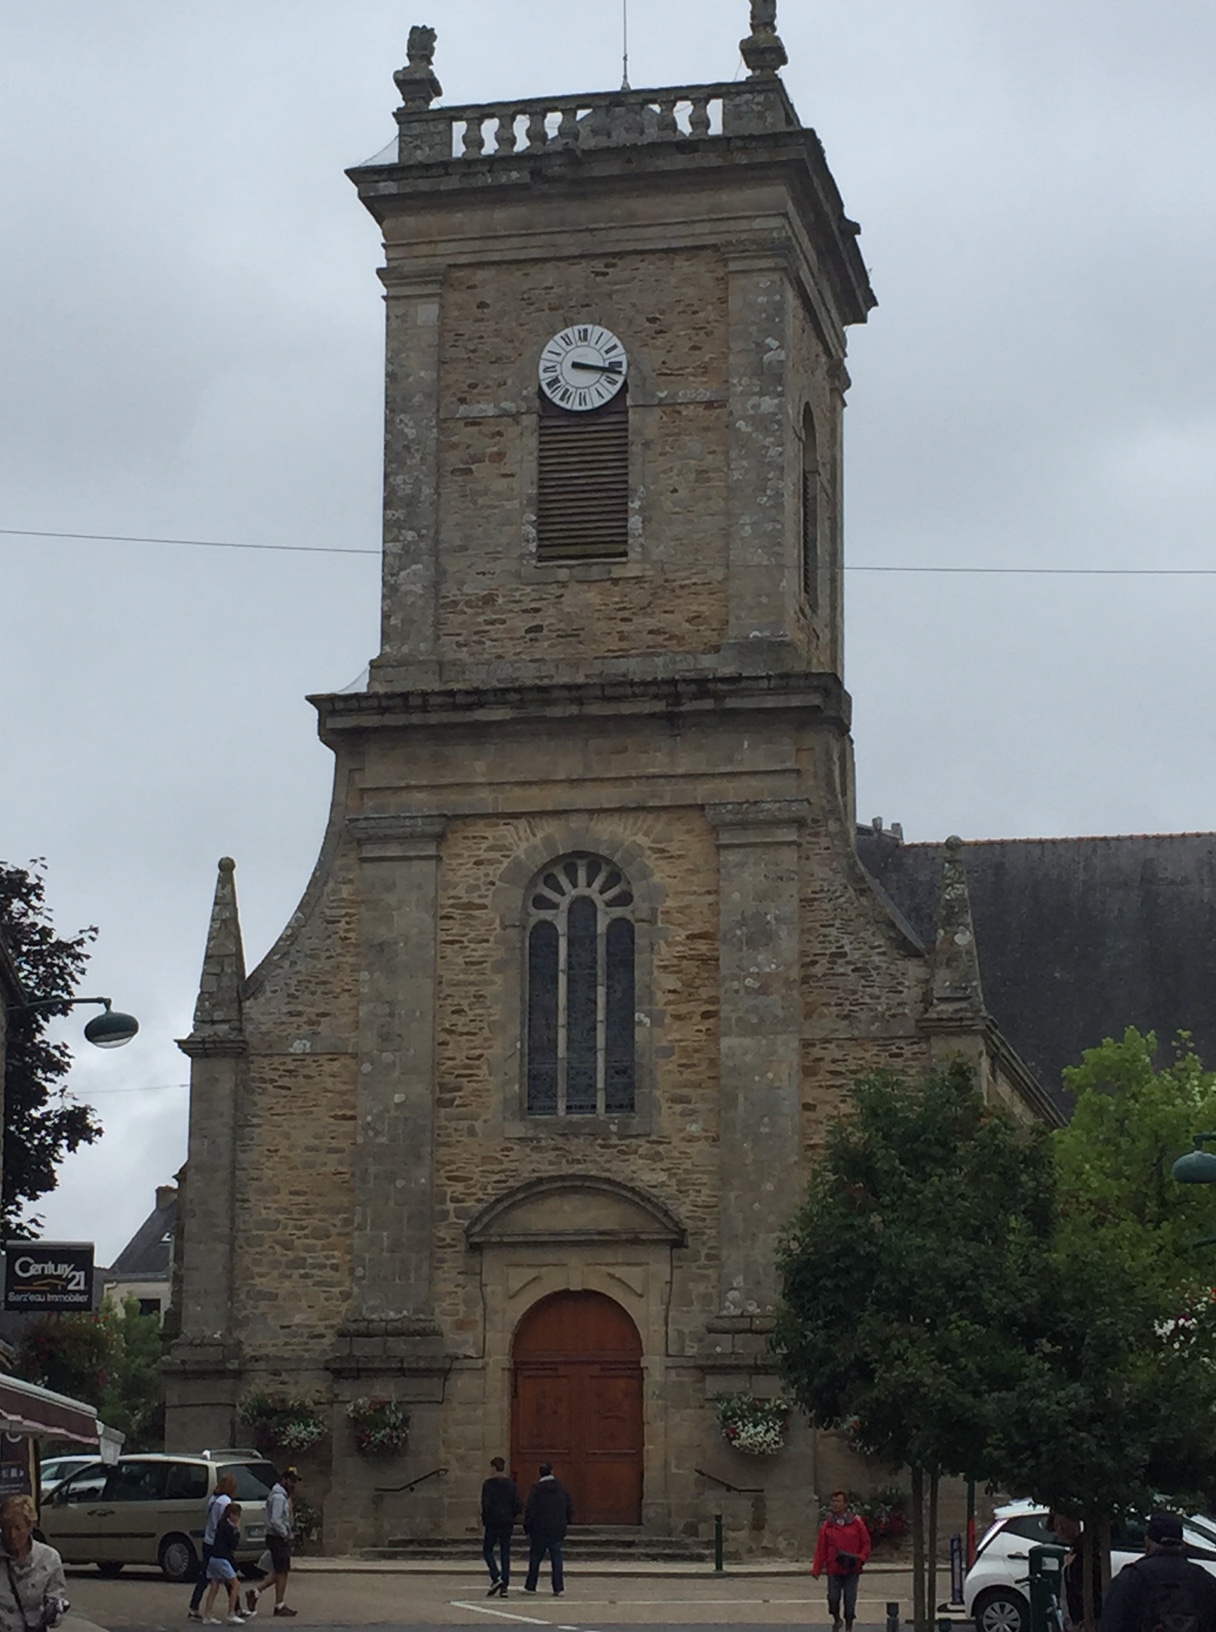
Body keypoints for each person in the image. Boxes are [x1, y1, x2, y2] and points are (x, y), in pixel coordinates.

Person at [1099, 1511, 1216, 1632]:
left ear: (1148, 1542)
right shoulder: (1205, 1580)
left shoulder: (1130, 1579)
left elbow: (1110, 1625)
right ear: (1182, 1543)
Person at [0, 1494, 68, 1632]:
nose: (12, 1535)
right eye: (6, 1528)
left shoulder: (49, 1558)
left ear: (30, 1526)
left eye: (18, 1528)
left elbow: (55, 1599)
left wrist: (54, 1613)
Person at [811, 1489, 871, 1632]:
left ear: (845, 1504)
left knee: (850, 1601)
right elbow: (821, 1548)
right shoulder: (828, 1525)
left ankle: (849, 1626)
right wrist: (817, 1568)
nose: (835, 1504)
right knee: (833, 1599)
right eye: (833, 1501)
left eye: (838, 1501)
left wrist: (861, 1558)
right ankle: (837, 1619)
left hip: (852, 1568)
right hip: (834, 1569)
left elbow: (866, 1543)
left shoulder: (856, 1522)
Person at [246, 1468, 298, 1619]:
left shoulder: (283, 1496)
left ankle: (256, 1593)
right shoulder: (279, 1498)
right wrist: (285, 1534)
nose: (293, 1485)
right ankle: (278, 1604)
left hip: (277, 1537)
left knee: (281, 1570)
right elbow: (276, 1520)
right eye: (291, 1481)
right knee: (281, 1570)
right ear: (284, 1480)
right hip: (277, 1537)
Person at [190, 1472, 239, 1621]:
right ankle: (234, 1609)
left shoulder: (213, 1499)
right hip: (218, 1543)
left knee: (209, 1577)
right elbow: (224, 1521)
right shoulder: (225, 1502)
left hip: (208, 1539)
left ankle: (196, 1606)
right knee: (228, 1576)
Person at [522, 1463, 573, 1597]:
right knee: (556, 1558)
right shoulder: (561, 1489)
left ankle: (531, 1586)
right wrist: (565, 1522)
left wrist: (527, 1527)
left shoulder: (536, 1490)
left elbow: (530, 1510)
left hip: (539, 1529)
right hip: (556, 1528)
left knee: (535, 1558)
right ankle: (558, 1587)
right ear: (552, 1471)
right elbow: (569, 1508)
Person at [481, 1457, 523, 1598]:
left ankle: (496, 1576)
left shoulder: (488, 1485)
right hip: (507, 1521)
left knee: (487, 1550)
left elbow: (485, 1504)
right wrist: (512, 1515)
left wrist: (485, 1519)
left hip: (493, 1521)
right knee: (505, 1552)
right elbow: (517, 1504)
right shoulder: (511, 1485)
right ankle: (504, 1585)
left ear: (494, 1468)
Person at [201, 1502, 245, 1625]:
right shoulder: (228, 1528)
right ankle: (231, 1613)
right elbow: (233, 1544)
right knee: (235, 1584)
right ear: (232, 1515)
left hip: (214, 1558)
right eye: (237, 1515)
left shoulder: (221, 1524)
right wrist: (237, 1531)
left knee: (214, 1586)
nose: (238, 1518)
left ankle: (207, 1614)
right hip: (222, 1559)